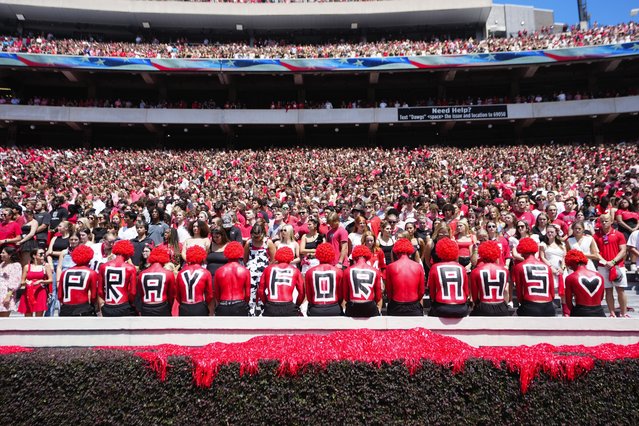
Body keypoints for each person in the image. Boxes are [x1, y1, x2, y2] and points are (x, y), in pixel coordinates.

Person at [593, 214, 629, 317]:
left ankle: (624, 313)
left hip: (618, 266)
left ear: (611, 221)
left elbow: (623, 250)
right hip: (603, 266)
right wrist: (604, 261)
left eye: (606, 221)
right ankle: (612, 313)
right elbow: (595, 251)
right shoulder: (596, 236)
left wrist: (613, 262)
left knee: (620, 290)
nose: (604, 223)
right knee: (608, 290)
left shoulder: (619, 234)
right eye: (602, 221)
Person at [427, 238, 470, 318]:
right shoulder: (462, 268)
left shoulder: (435, 267)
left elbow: (432, 293)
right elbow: (466, 292)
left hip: (441, 307)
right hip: (461, 308)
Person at [513, 237, 556, 317]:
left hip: (529, 305)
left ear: (521, 252)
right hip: (548, 307)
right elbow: (552, 293)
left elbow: (519, 294)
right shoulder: (547, 267)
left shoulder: (519, 267)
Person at [258, 247, 304, 317]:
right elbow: (301, 293)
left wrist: (266, 304)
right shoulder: (295, 270)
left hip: (271, 306)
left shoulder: (268, 269)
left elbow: (261, 291)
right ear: (291, 257)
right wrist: (297, 305)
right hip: (288, 306)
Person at [469, 240, 511, 316]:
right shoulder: (505, 271)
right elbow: (506, 291)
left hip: (483, 307)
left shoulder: (475, 271)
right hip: (501, 306)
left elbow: (475, 296)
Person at [98, 240, 138, 317]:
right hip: (123, 304)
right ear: (128, 253)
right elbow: (133, 292)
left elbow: (100, 291)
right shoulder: (130, 268)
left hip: (108, 306)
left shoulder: (103, 267)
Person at [385, 238, 424, 316]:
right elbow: (421, 292)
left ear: (396, 252)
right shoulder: (418, 266)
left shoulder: (390, 266)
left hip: (396, 306)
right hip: (414, 306)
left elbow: (389, 291)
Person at [244, 223, 276, 316]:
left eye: (258, 236)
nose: (256, 238)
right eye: (255, 236)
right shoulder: (249, 242)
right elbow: (245, 258)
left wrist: (267, 268)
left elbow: (274, 258)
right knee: (251, 292)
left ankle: (263, 312)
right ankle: (251, 312)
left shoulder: (268, 242)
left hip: (264, 271)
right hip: (251, 271)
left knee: (263, 291)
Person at [57, 245, 99, 316]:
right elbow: (93, 296)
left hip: (65, 309)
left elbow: (60, 296)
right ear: (89, 258)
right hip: (83, 308)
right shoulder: (91, 273)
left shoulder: (65, 273)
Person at [304, 242, 344, 317]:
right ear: (332, 254)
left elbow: (309, 296)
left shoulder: (310, 272)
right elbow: (341, 295)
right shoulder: (339, 272)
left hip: (315, 309)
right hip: (334, 308)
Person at [342, 245, 382, 317]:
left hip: (353, 307)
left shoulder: (347, 271)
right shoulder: (375, 271)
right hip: (370, 307)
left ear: (354, 256)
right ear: (367, 256)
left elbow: (345, 296)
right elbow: (378, 297)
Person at [213, 241, 251, 316]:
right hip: (240, 304)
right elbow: (247, 295)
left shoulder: (219, 271)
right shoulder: (245, 271)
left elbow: (217, 293)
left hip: (223, 304)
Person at [564, 249, 605, 317]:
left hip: (581, 310)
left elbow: (568, 301)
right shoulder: (599, 276)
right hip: (599, 311)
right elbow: (601, 297)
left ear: (570, 263)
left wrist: (574, 311)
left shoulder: (570, 277)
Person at [138, 245, 176, 316]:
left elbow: (140, 293)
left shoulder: (142, 274)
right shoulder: (168, 274)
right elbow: (171, 295)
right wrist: (169, 307)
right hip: (162, 306)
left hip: (146, 307)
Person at [176, 246, 213, 316]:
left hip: (184, 305)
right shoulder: (206, 272)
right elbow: (210, 295)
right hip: (199, 306)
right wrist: (204, 304)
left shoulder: (181, 272)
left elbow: (177, 295)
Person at [17, 248, 52, 317]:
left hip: (40, 291)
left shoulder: (46, 266)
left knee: (39, 315)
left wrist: (41, 281)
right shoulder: (27, 267)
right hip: (29, 291)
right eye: (41, 254)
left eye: (44, 254)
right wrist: (27, 282)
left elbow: (50, 280)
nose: (43, 255)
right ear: (34, 256)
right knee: (28, 315)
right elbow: (22, 281)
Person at [539, 224, 567, 307]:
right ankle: (550, 307)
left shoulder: (562, 244)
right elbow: (542, 257)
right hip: (549, 269)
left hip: (561, 270)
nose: (550, 234)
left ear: (556, 233)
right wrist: (551, 268)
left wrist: (562, 268)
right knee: (550, 288)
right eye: (548, 232)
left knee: (563, 290)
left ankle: (565, 309)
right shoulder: (543, 244)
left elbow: (564, 257)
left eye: (552, 232)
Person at [0, 246, 22, 317]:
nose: (1, 254)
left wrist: (8, 296)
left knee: (3, 318)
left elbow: (15, 282)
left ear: (9, 255)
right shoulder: (1, 264)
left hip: (5, 294)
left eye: (3, 253)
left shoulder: (15, 265)